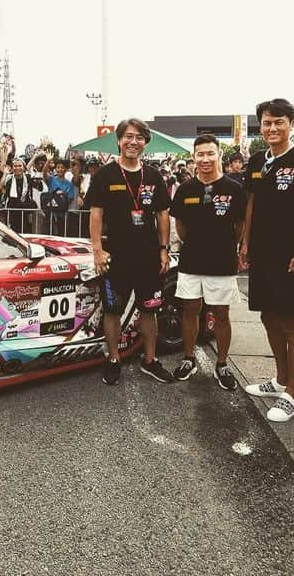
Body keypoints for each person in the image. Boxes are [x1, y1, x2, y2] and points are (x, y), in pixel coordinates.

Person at [240, 98, 294, 422]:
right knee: (267, 317)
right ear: (260, 126)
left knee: (289, 321)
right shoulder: (256, 161)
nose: (272, 128)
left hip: (290, 254)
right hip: (261, 253)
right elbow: (252, 203)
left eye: (279, 122)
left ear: (291, 123)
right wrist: (246, 242)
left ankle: (293, 393)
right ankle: (279, 379)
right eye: (266, 122)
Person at [86, 117, 173, 386]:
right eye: (128, 136)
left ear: (145, 143)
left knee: (150, 310)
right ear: (119, 140)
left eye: (138, 137)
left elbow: (163, 215)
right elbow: (96, 214)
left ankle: (150, 360)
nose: (133, 141)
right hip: (116, 257)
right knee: (113, 311)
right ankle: (114, 358)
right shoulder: (105, 175)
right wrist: (97, 250)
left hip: (148, 256)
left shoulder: (155, 175)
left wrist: (164, 249)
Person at [169, 134, 246, 389]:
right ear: (193, 157)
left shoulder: (234, 189)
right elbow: (179, 225)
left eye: (209, 153)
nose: (205, 159)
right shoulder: (185, 189)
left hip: (222, 262)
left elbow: (239, 226)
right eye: (199, 154)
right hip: (191, 261)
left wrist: (225, 245)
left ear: (219, 155)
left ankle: (222, 364)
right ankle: (189, 358)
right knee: (190, 309)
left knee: (221, 313)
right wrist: (195, 244)